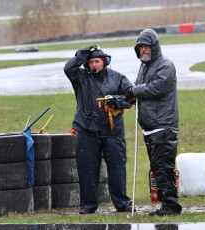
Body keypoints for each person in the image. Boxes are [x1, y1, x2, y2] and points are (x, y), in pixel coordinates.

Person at [64, 45, 134, 214]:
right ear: (86, 64)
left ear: (104, 62)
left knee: (117, 167)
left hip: (113, 131)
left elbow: (131, 97)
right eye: (91, 62)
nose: (94, 65)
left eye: (97, 61)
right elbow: (68, 68)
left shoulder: (118, 78)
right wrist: (84, 53)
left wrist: (116, 101)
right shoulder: (80, 77)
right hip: (87, 129)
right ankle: (88, 205)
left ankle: (122, 203)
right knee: (87, 169)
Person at [125, 28, 182, 216]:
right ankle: (167, 202)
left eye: (146, 46)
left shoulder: (165, 65)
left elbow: (155, 88)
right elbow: (137, 89)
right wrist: (126, 98)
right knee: (158, 168)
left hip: (163, 126)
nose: (143, 50)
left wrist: (135, 91)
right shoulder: (144, 67)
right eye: (140, 47)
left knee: (163, 166)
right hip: (150, 127)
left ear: (154, 47)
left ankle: (171, 205)